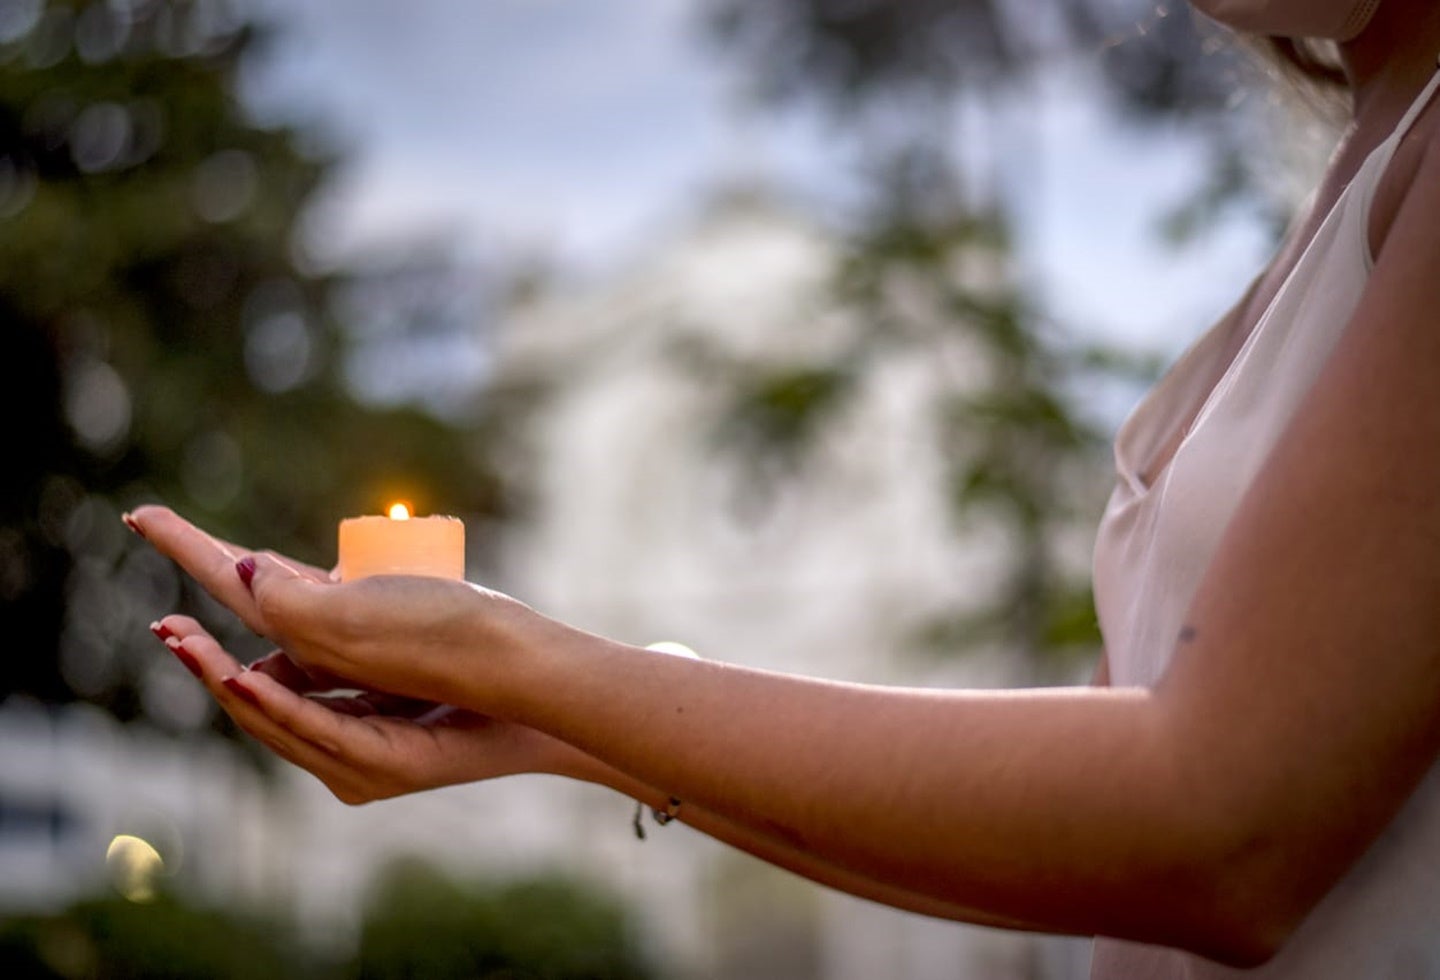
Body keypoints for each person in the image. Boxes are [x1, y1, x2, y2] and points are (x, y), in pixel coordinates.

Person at [124, 0, 1440, 974]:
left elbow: (1217, 831)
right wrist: (552, 732)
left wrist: (529, 661)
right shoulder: (1350, 187)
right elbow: (1078, 836)